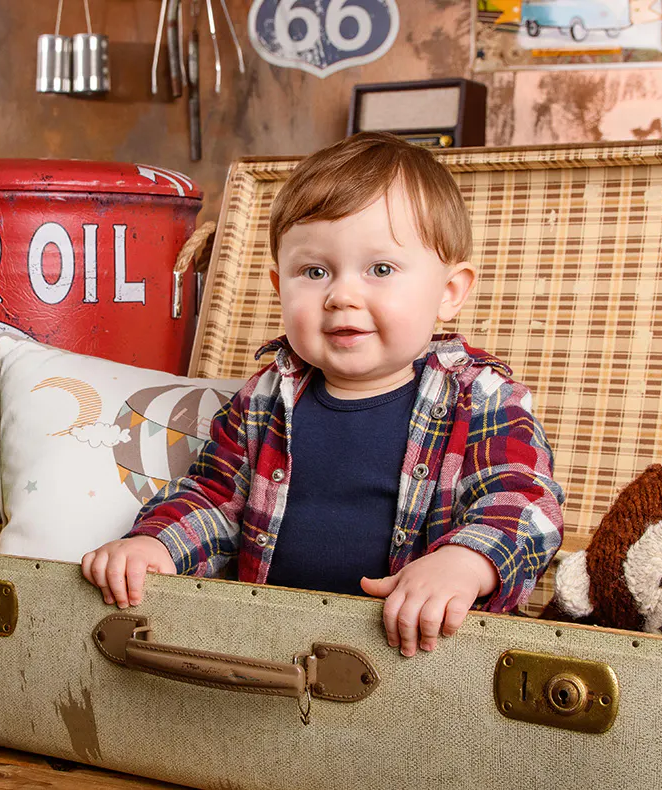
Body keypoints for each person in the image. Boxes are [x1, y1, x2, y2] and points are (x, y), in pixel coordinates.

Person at [81, 132, 565, 656]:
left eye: (380, 269)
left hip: (421, 658)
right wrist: (156, 544)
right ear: (279, 286)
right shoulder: (266, 396)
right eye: (314, 272)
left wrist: (468, 562)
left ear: (448, 293)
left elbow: (525, 501)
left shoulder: (481, 398)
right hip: (266, 646)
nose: (341, 296)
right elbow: (216, 497)